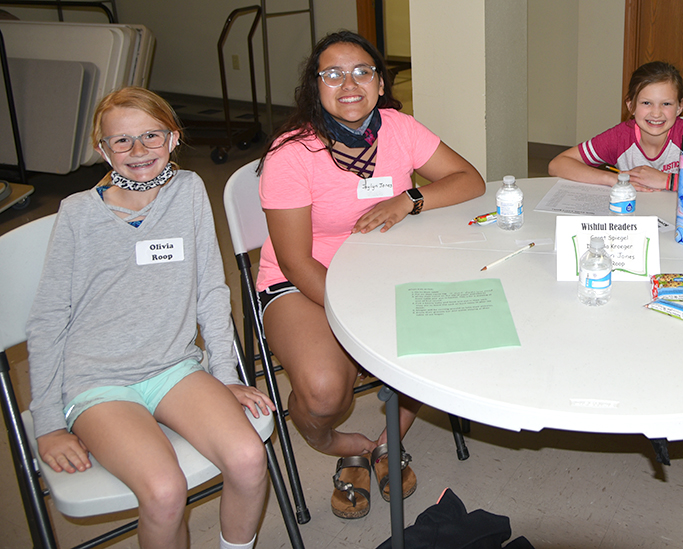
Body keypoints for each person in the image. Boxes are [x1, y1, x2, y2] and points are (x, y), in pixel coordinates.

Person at [26, 87, 275, 549]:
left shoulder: (190, 191)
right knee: (164, 491)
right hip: (99, 379)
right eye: (121, 141)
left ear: (173, 137)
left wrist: (225, 374)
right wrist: (48, 425)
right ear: (102, 149)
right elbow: (47, 320)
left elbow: (210, 291)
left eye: (151, 136)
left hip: (174, 366)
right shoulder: (78, 213)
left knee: (247, 458)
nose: (138, 151)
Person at [256, 31, 485, 519]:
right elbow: (295, 261)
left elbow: (470, 180)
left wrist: (409, 198)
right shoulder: (291, 154)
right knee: (322, 394)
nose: (349, 84)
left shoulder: (399, 129)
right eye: (332, 74)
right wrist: (359, 315)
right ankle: (340, 444)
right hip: (303, 282)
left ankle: (386, 443)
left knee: (430, 342)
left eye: (362, 71)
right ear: (314, 87)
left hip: (388, 267)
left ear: (380, 83)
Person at [547, 61, 683, 196]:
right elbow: (557, 164)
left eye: (666, 104)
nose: (656, 113)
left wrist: (667, 181)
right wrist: (615, 178)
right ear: (630, 106)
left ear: (680, 107)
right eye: (646, 103)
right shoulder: (620, 137)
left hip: (680, 220)